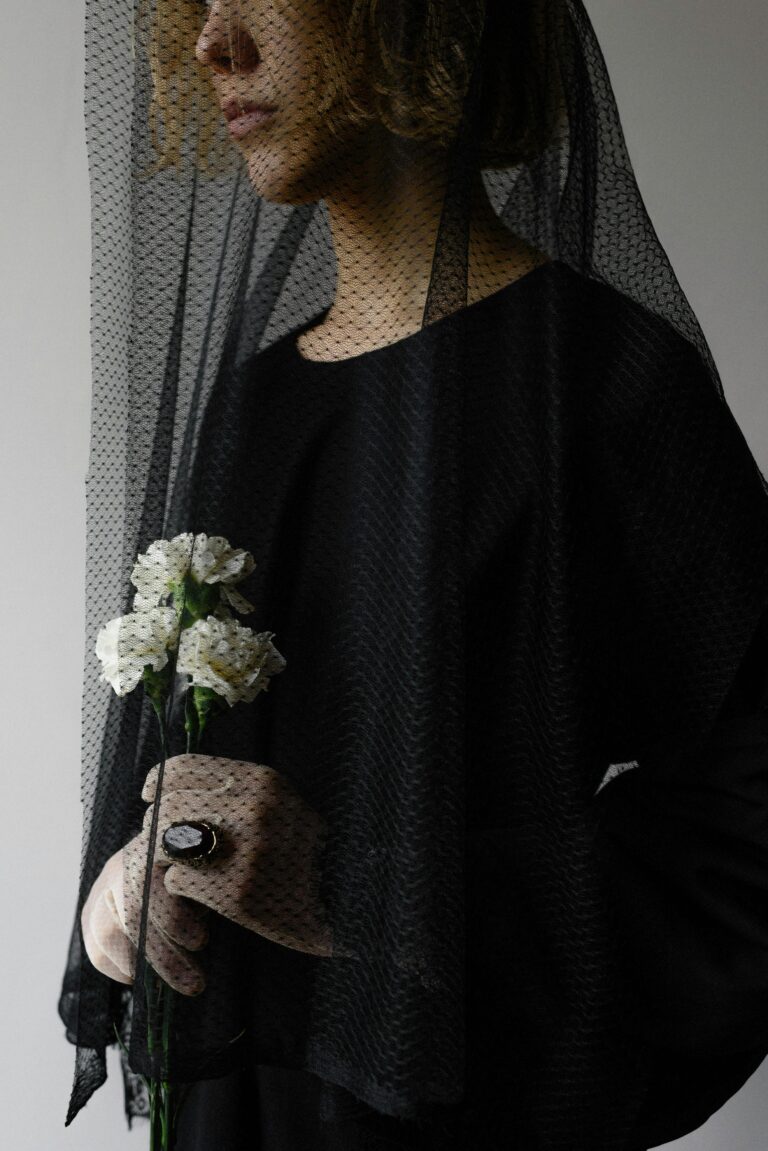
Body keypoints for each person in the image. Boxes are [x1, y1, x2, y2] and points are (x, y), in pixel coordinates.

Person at [66, 2, 768, 1148]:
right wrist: (129, 885)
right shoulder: (253, 408)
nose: (212, 43)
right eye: (197, 0)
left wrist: (366, 893)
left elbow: (742, 849)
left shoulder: (607, 386)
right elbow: (195, 777)